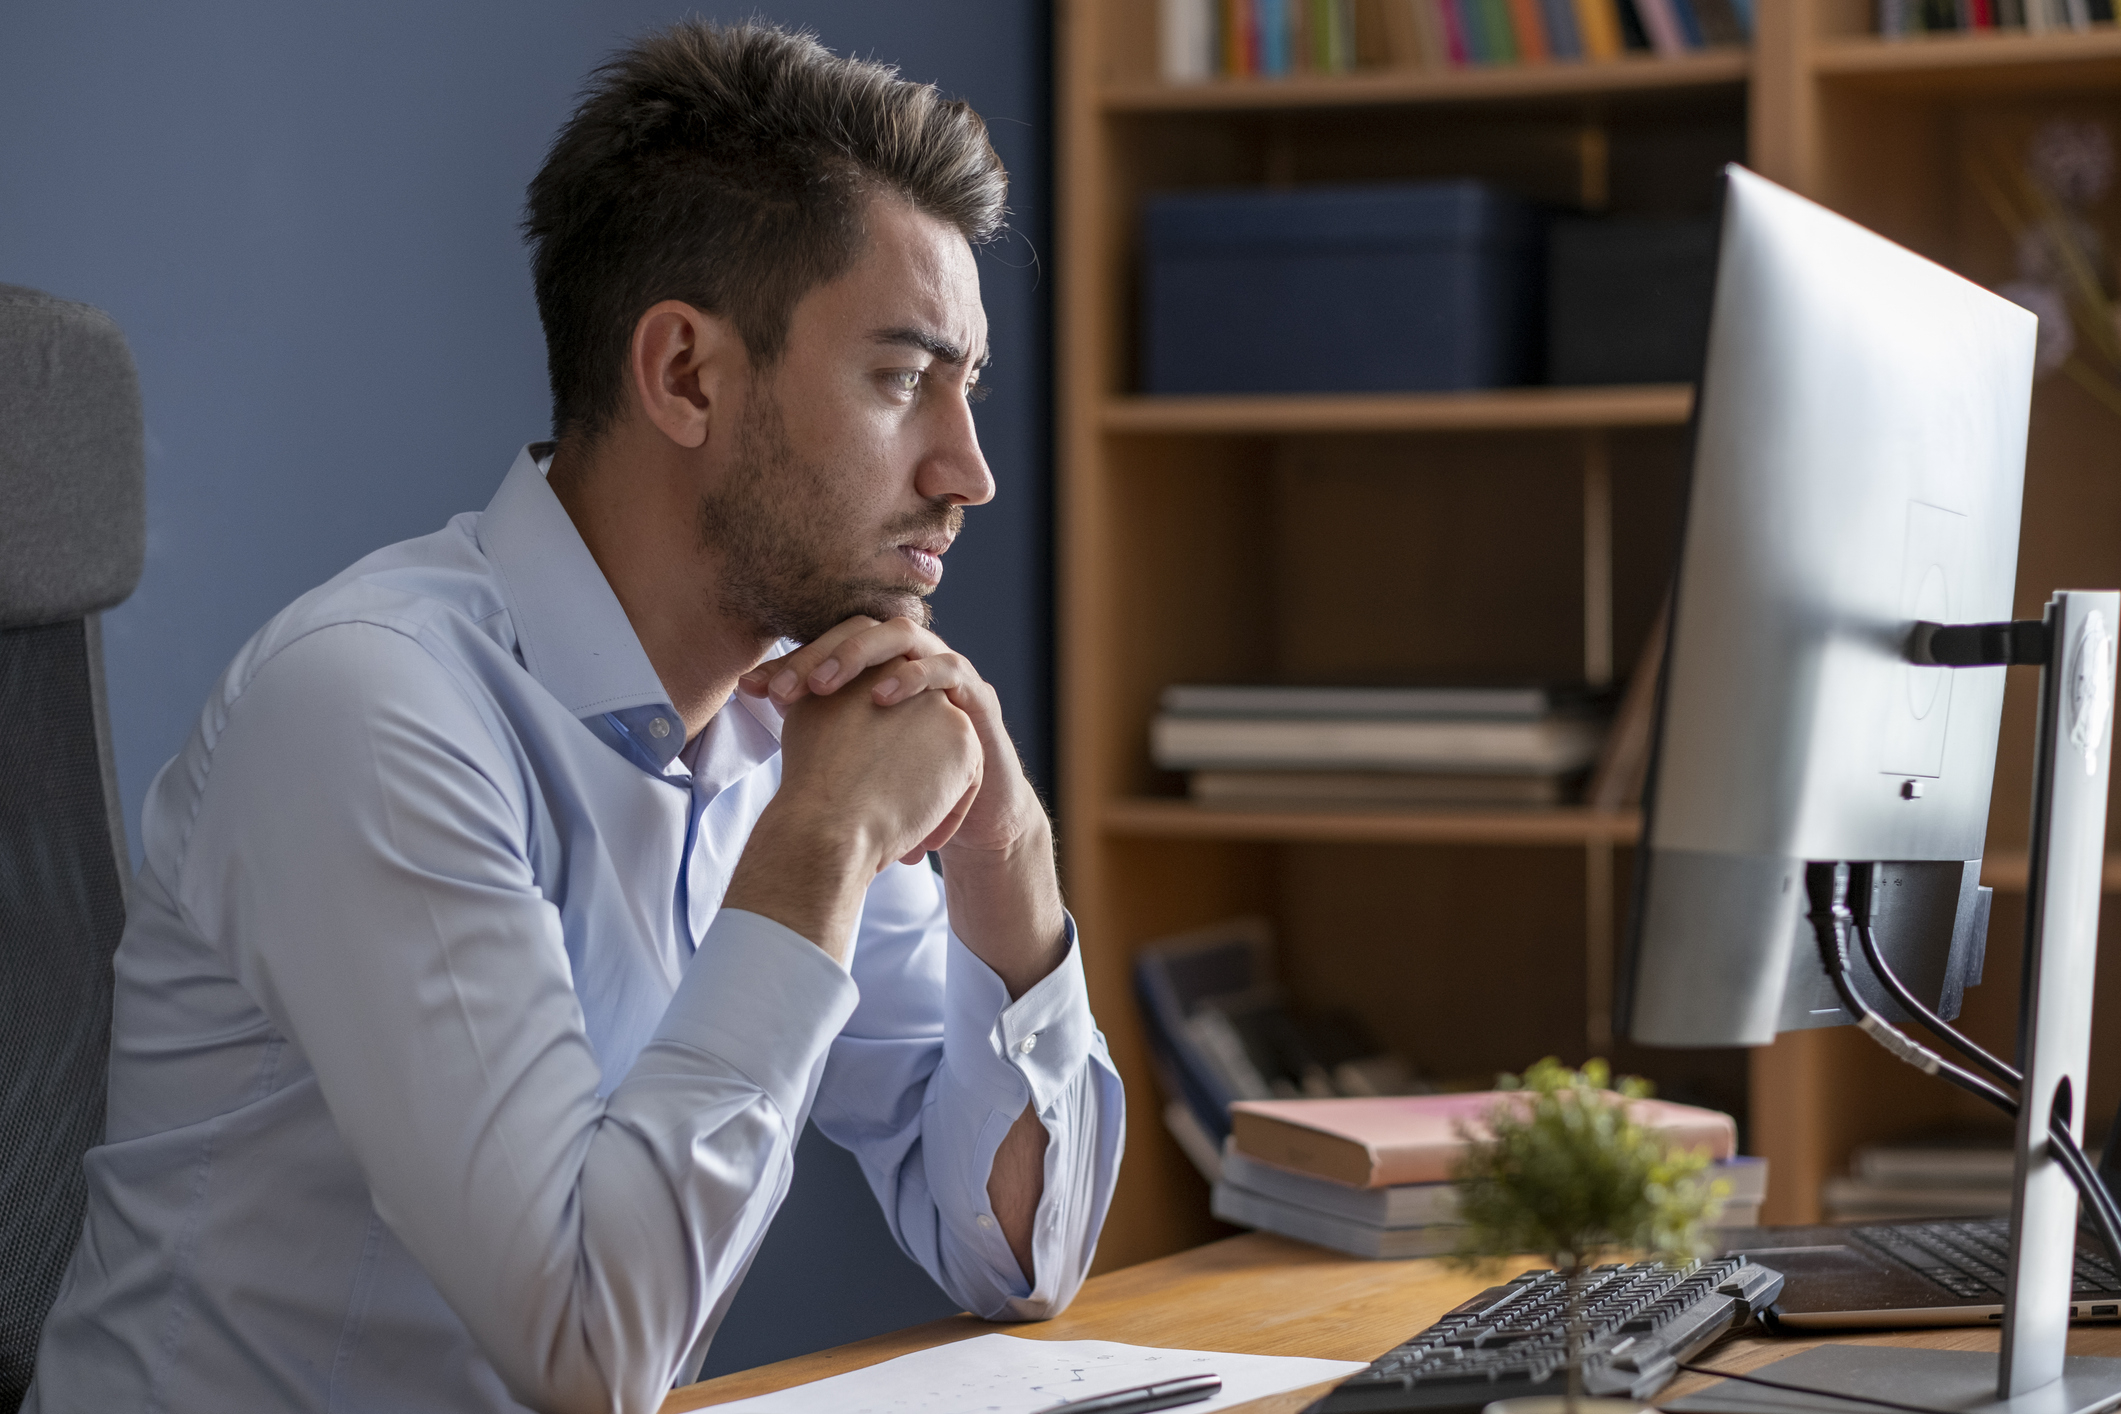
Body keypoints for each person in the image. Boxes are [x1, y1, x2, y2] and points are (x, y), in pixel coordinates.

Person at [25, 21, 1122, 1414]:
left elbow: (1020, 1251)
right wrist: (824, 840)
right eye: (905, 379)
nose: (966, 469)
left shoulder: (799, 722)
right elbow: (589, 1346)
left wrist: (1004, 858)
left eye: (965, 388)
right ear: (683, 375)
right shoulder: (371, 707)